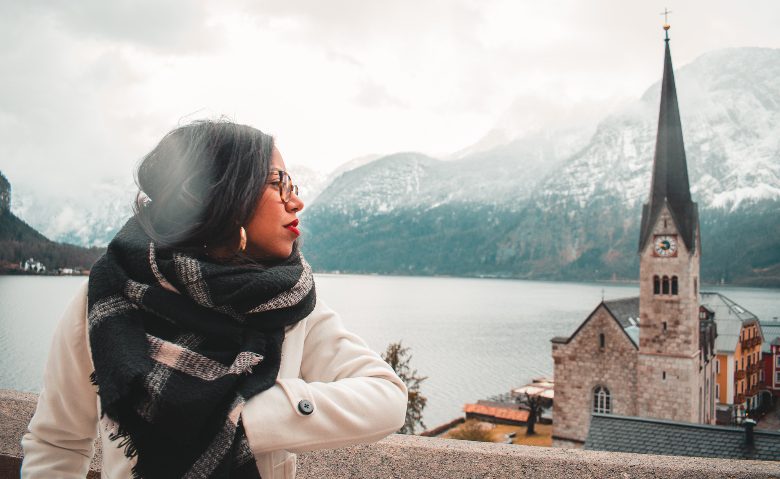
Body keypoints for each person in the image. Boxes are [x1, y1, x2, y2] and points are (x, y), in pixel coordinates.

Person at [21, 120, 408, 479]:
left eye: (294, 184)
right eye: (280, 183)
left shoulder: (285, 301)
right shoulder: (108, 298)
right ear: (222, 195)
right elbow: (57, 443)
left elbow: (385, 398)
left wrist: (236, 416)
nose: (296, 202)